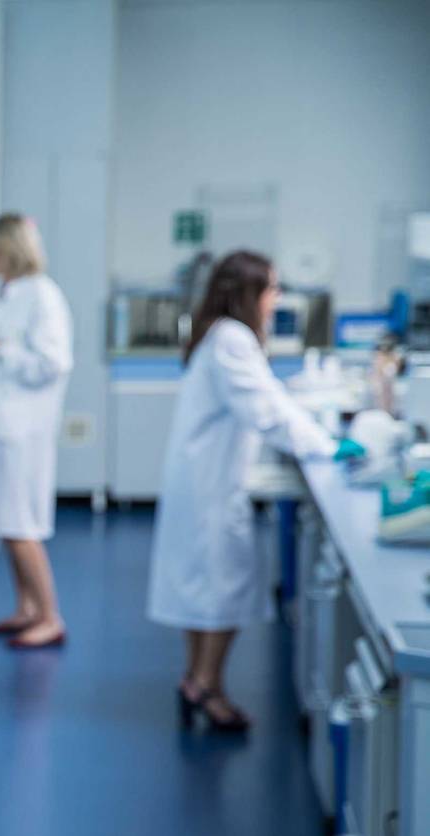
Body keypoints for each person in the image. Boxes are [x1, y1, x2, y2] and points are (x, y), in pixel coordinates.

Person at [148, 251, 335, 731]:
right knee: (223, 586)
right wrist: (329, 447)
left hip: (201, 479)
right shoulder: (232, 339)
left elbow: (267, 397)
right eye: (271, 291)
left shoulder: (220, 335)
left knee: (202, 585)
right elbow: (267, 412)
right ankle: (209, 688)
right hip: (211, 487)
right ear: (249, 294)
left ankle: (195, 677)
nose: (276, 301)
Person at [0, 213, 73, 649]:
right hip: (4, 422)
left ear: (8, 250)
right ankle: (27, 608)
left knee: (21, 524)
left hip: (24, 428)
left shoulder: (43, 296)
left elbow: (53, 363)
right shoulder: (5, 292)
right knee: (8, 524)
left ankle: (49, 615)